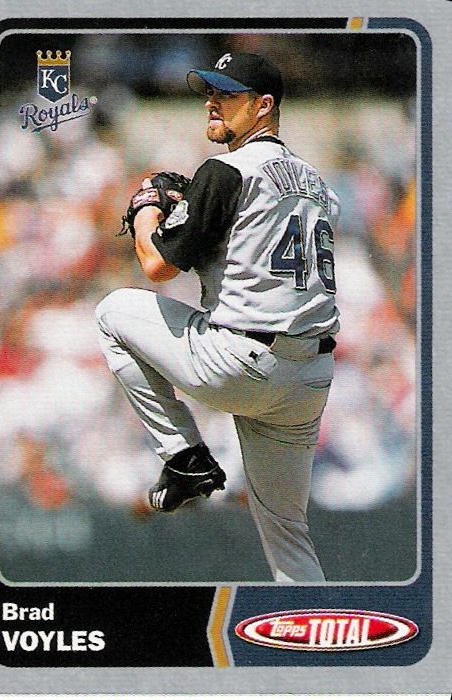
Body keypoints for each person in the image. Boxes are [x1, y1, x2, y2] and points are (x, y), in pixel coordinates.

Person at [95, 52, 340, 582]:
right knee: (287, 532)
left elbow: (157, 266)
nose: (211, 102)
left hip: (241, 360)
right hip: (310, 376)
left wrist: (147, 210)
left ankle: (184, 457)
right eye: (210, 92)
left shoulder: (228, 170)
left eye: (227, 95)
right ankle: (314, 629)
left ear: (263, 106)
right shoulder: (318, 183)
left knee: (112, 312)